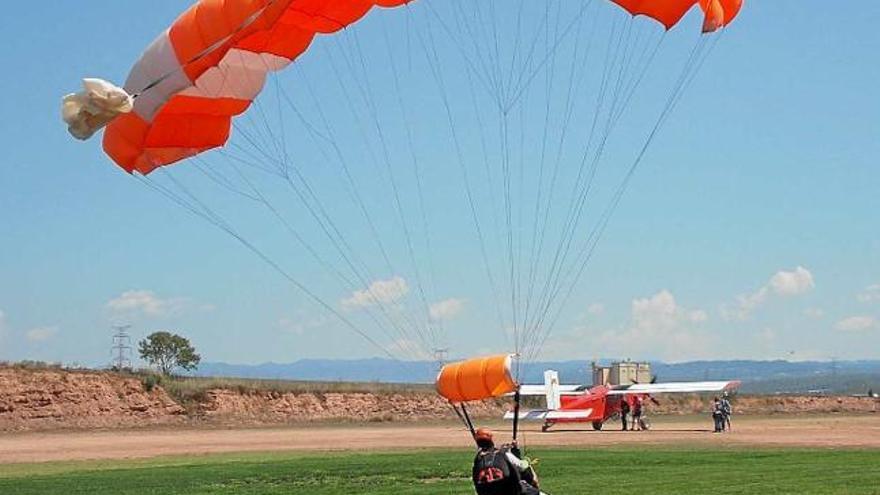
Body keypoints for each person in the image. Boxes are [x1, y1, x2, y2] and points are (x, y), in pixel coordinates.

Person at [472, 427, 544, 495]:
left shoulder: (477, 461)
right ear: (491, 439)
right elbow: (523, 468)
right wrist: (523, 460)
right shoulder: (504, 455)